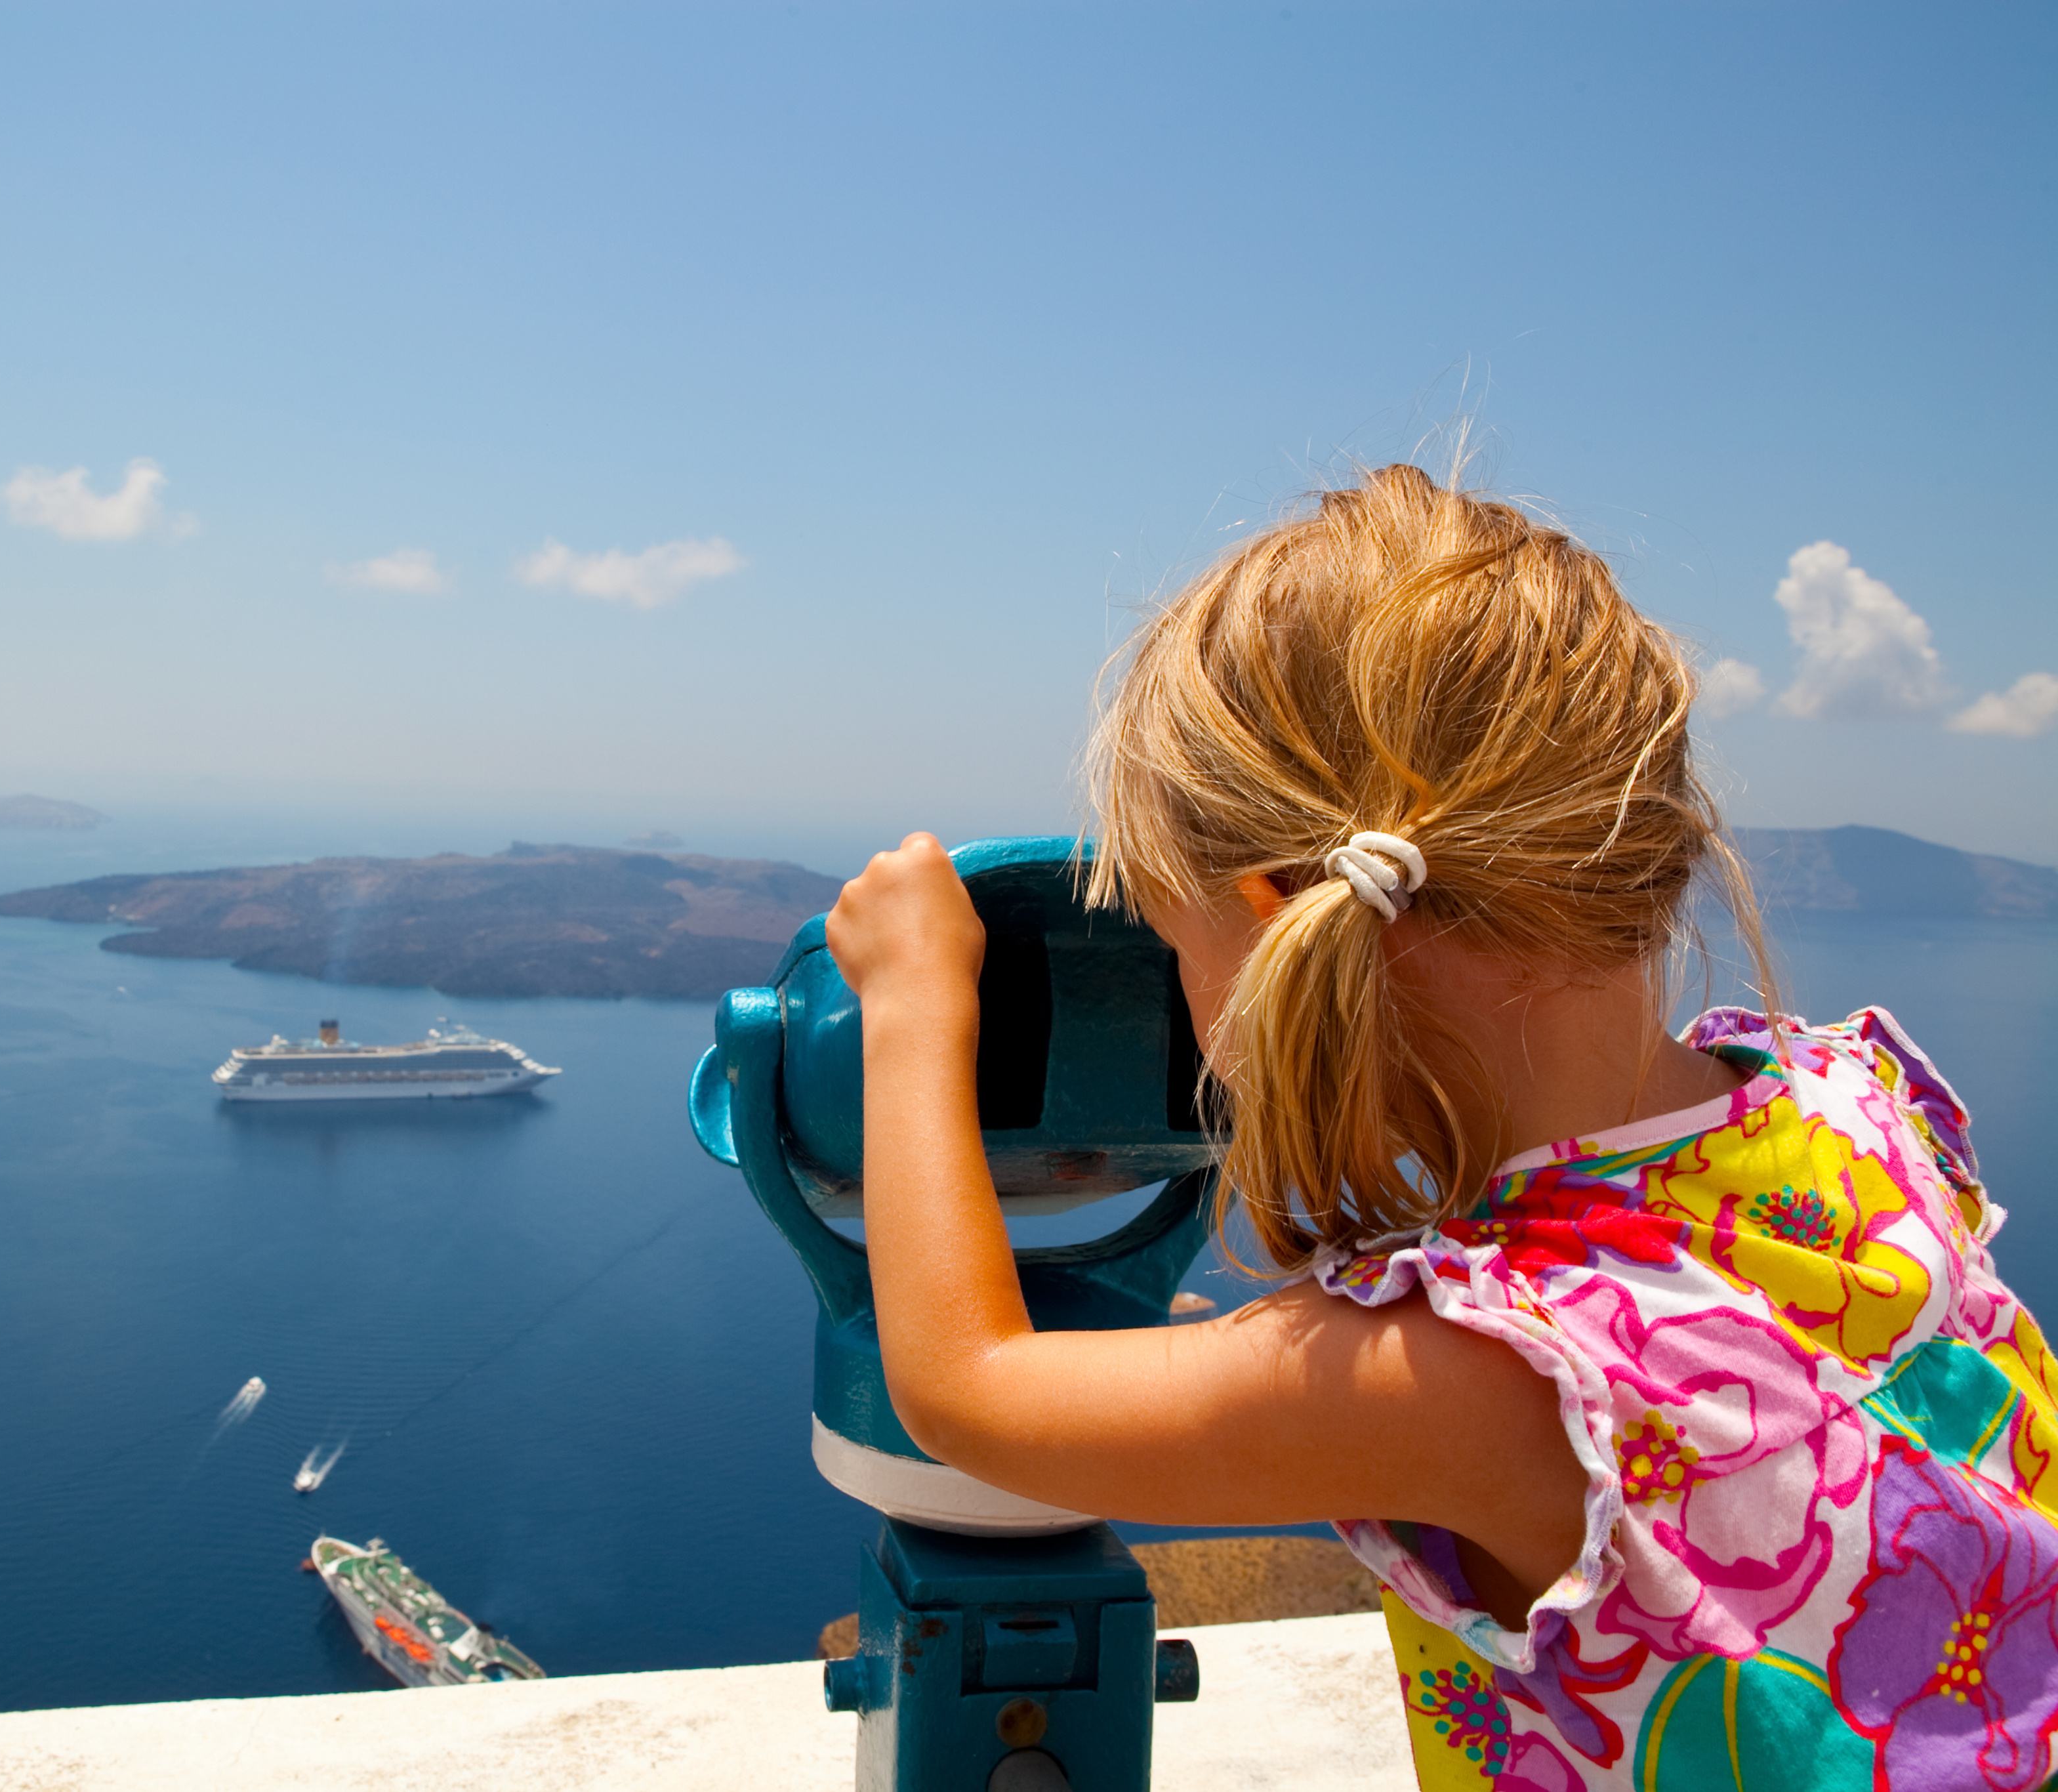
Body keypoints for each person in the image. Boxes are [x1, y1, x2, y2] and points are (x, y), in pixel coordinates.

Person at [824, 465, 2057, 1791]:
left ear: (1276, 907)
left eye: (1173, 944)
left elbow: (963, 1391)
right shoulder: (1854, 1106)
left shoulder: (1481, 1372)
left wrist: (910, 1003)